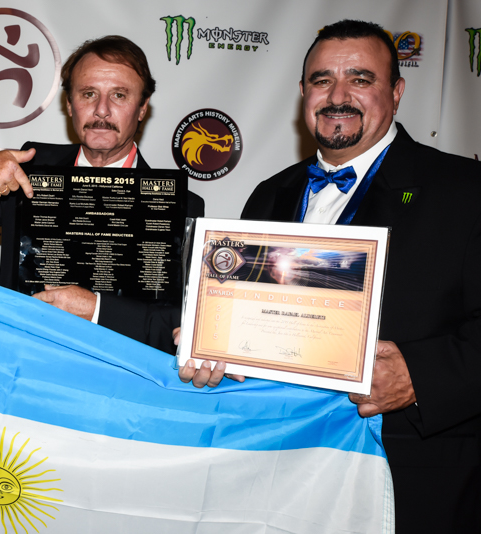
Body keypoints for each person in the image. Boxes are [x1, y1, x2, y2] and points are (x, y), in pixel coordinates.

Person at [180, 19, 481, 531]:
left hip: (412, 485)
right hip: (275, 478)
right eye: (322, 80)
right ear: (303, 92)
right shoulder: (268, 194)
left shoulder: (466, 190)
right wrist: (211, 340)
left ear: (397, 91)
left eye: (360, 79)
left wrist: (419, 377)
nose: (338, 96)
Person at [0, 36, 204, 353]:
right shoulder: (27, 170)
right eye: (88, 94)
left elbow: (176, 325)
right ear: (69, 104)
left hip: (120, 380)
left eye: (119, 95)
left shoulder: (182, 205)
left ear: (143, 107)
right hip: (20, 364)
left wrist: (97, 309)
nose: (102, 110)